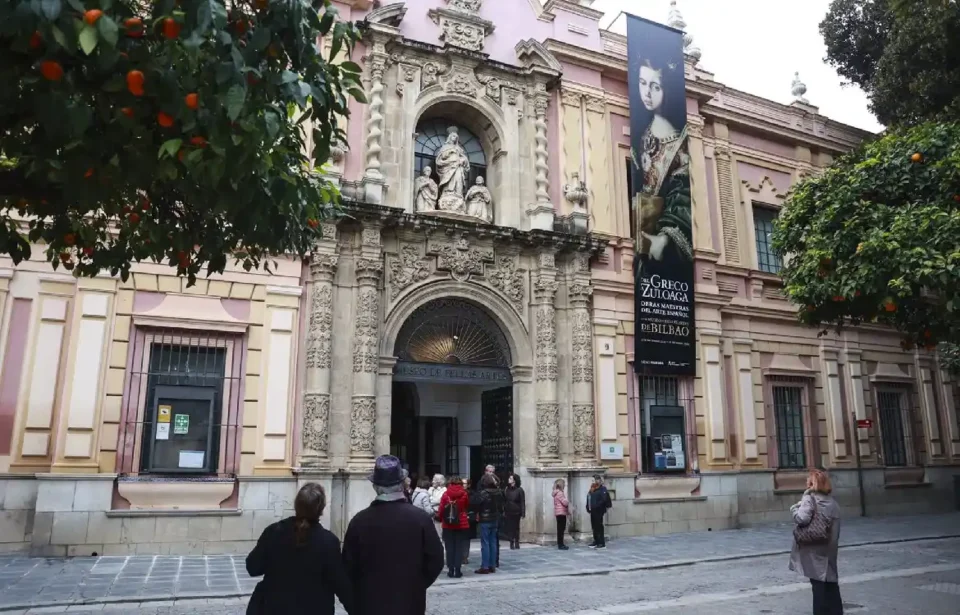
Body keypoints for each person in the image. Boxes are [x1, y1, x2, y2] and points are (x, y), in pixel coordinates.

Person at [343, 455, 444, 615]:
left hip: (370, 603)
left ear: (375, 486)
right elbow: (436, 560)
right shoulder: (420, 518)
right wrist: (417, 583)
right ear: (402, 484)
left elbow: (348, 566)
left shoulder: (359, 521)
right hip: (410, 602)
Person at [245, 483, 352, 615]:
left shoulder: (273, 532)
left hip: (273, 607)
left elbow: (253, 567)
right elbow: (340, 584)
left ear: (296, 505)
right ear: (321, 509)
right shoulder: (329, 542)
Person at [630, 56, 692, 265]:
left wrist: (663, 239)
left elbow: (681, 198)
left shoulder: (677, 144)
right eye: (642, 83)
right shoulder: (640, 129)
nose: (646, 93)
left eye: (655, 87)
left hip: (654, 253)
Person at [790, 469, 843, 615]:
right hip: (829, 549)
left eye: (809, 480)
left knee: (818, 586)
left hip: (814, 548)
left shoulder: (810, 499)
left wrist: (795, 508)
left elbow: (801, 519)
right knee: (831, 584)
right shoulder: (833, 503)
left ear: (812, 483)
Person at [438, 476, 470, 578]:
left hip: (448, 524)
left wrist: (439, 517)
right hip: (460, 523)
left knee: (449, 547)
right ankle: (458, 570)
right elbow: (465, 506)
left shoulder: (446, 494)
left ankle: (450, 570)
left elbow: (442, 509)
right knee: (458, 547)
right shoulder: (464, 494)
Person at [472, 474, 503, 574]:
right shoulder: (499, 492)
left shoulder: (483, 493)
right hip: (495, 518)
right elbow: (501, 506)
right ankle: (492, 565)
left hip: (485, 519)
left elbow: (475, 504)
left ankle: (485, 566)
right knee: (493, 542)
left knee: (485, 543)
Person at [586, 474, 612, 549]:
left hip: (599, 510)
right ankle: (596, 541)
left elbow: (603, 500)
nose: (594, 481)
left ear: (599, 481)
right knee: (594, 526)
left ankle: (601, 543)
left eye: (595, 480)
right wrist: (587, 506)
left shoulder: (602, 489)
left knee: (599, 526)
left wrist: (596, 506)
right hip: (592, 510)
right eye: (593, 480)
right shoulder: (592, 488)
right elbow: (588, 497)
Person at [503, 474, 525, 550]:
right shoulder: (507, 489)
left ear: (514, 480)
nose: (509, 479)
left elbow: (522, 501)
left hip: (516, 511)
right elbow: (505, 500)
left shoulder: (519, 490)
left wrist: (523, 512)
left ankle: (517, 542)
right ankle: (511, 541)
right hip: (509, 510)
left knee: (516, 527)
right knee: (510, 527)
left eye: (510, 478)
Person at [553, 478, 570, 550]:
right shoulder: (560, 493)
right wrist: (568, 501)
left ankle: (560, 543)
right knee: (561, 529)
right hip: (561, 513)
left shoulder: (556, 492)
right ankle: (561, 544)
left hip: (558, 513)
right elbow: (565, 502)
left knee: (559, 529)